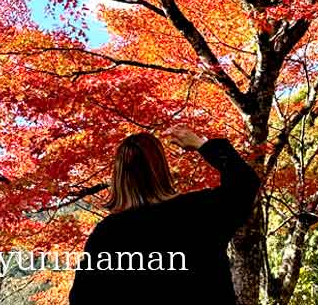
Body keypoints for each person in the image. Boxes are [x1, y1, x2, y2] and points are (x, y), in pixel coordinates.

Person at [68, 125, 261, 304]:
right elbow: (245, 184)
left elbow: (82, 298)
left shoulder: (108, 234)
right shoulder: (199, 210)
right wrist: (202, 144)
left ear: (119, 177)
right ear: (160, 169)